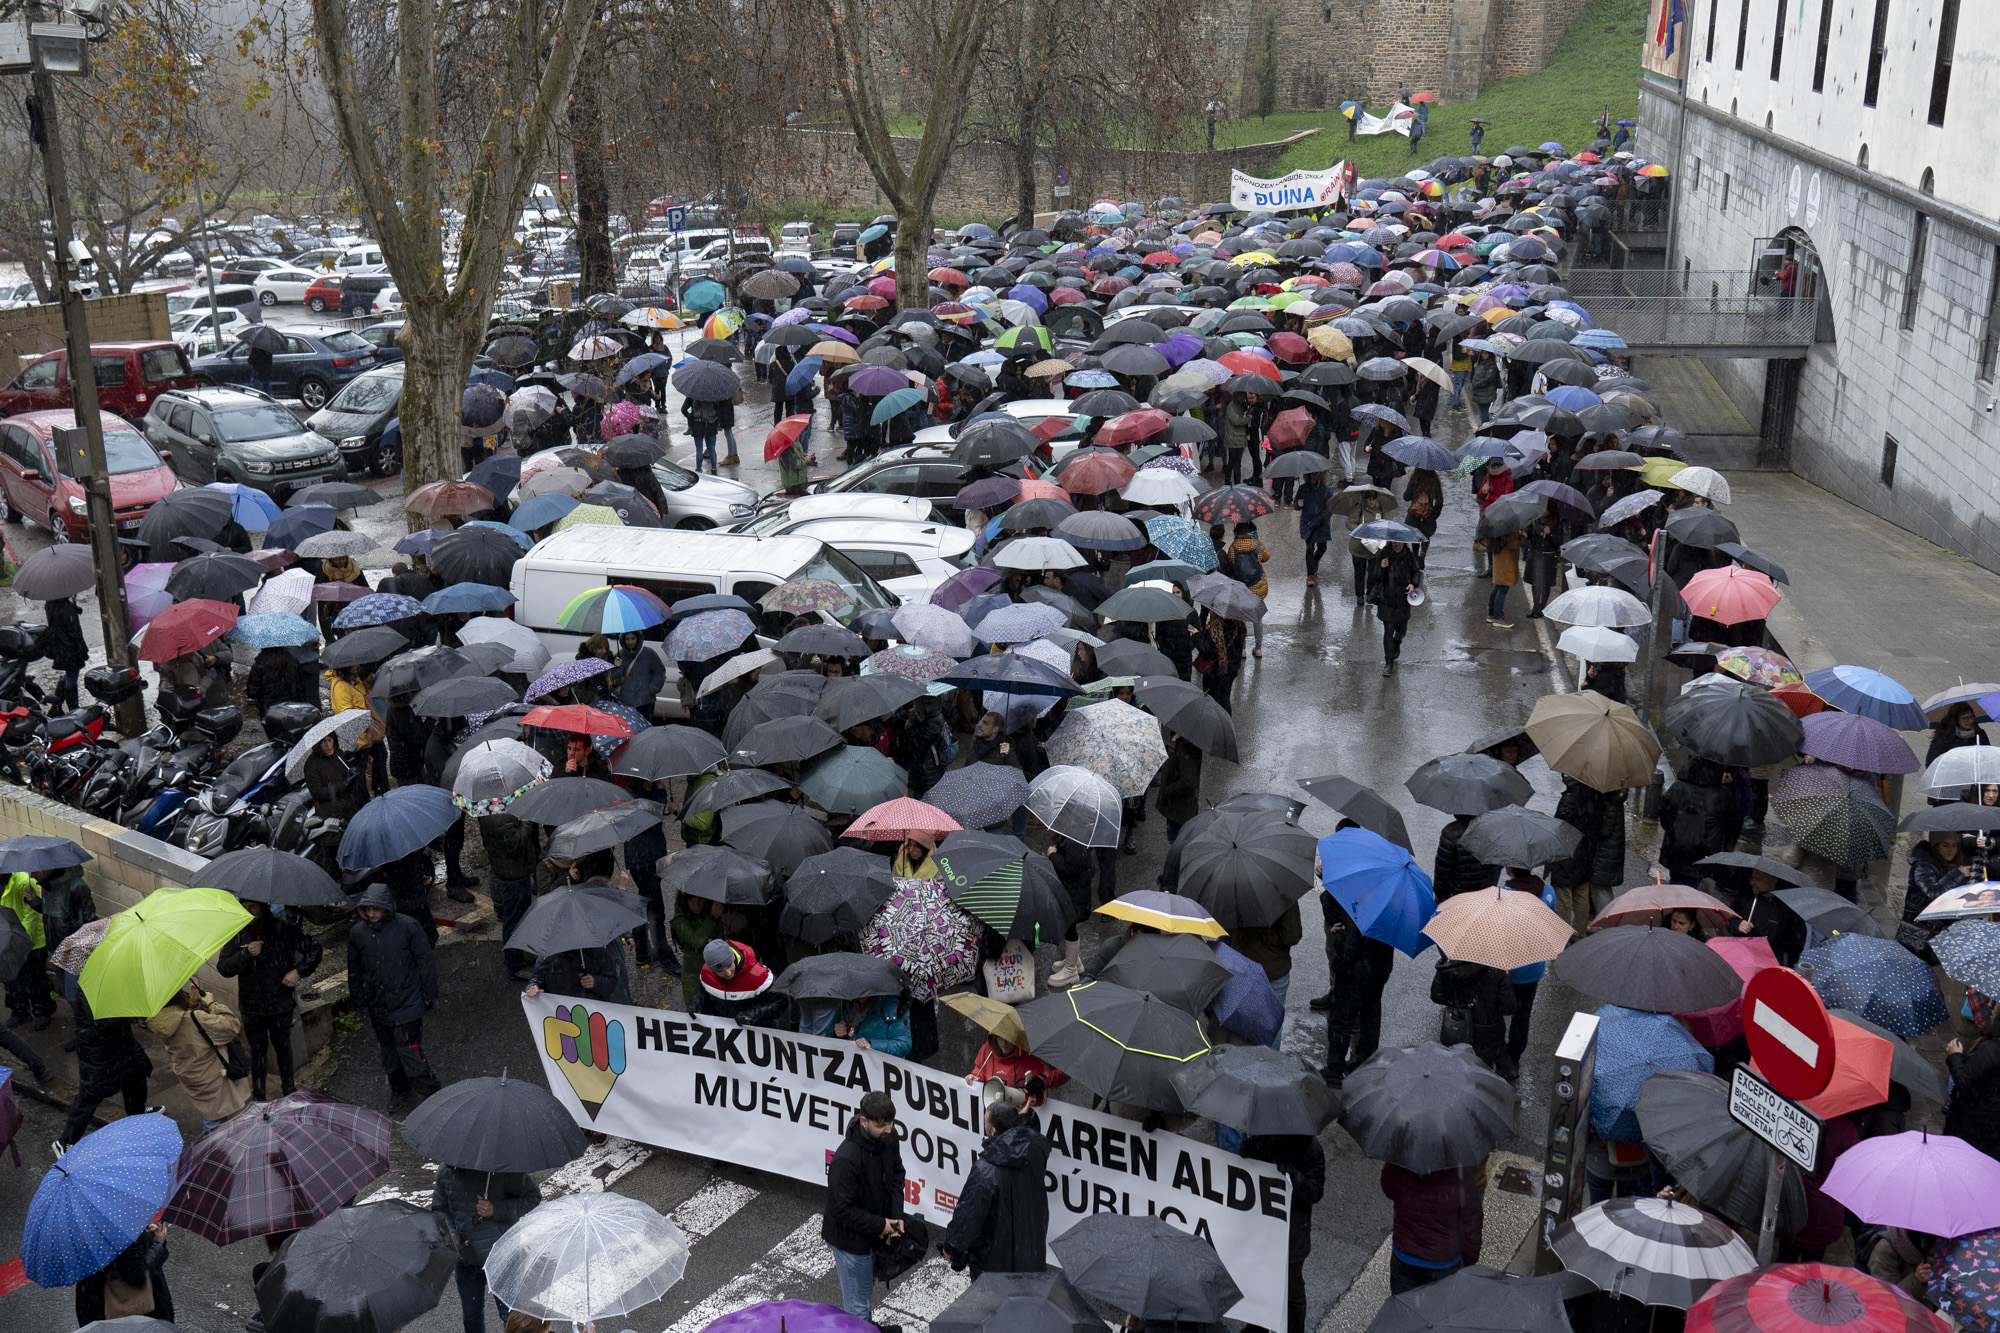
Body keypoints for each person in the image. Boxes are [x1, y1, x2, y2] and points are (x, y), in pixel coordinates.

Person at [345, 882, 441, 1111]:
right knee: (388, 1052)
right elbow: (354, 968)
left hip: (406, 1001)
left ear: (386, 907)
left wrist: (429, 995)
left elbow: (425, 962)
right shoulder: (358, 933)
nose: (371, 914)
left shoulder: (408, 926)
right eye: (368, 909)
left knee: (408, 1050)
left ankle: (430, 1090)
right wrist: (359, 1000)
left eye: (376, 909)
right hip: (378, 1004)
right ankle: (400, 1089)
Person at [217, 899, 323, 1100]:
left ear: (262, 907)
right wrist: (246, 953)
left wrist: (298, 972)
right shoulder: (238, 934)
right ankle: (259, 1096)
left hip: (280, 1004)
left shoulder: (283, 929)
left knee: (283, 1048)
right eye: (244, 907)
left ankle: (289, 1090)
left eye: (252, 907)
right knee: (258, 1053)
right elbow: (224, 968)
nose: (248, 912)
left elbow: (315, 949)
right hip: (251, 1007)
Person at [823, 1090, 907, 1325]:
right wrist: (880, 1224)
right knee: (858, 1307)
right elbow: (842, 1209)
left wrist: (895, 1214)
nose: (888, 1130)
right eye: (881, 1125)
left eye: (890, 1122)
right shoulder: (845, 1159)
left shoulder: (889, 1138)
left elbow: (897, 1175)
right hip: (851, 1243)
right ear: (863, 1121)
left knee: (864, 1294)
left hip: (871, 1233)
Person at [942, 1101, 1050, 1279]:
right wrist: (1022, 1119)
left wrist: (951, 1246)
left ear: (993, 1132)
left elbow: (968, 1215)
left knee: (994, 1305)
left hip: (994, 1261)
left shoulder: (985, 1170)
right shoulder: (1035, 1150)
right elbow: (1029, 1136)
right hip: (1031, 1250)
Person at [433, 1162, 539, 1333]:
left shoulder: (502, 1169)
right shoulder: (445, 1172)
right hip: (466, 1257)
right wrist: (451, 1233)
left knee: (511, 1316)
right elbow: (439, 1209)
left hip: (502, 1255)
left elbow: (532, 1198)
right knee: (471, 1316)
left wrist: (495, 1209)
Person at [1243, 1133, 1326, 1333]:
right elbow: (1244, 1168)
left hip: (1292, 1233)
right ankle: (1257, 1327)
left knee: (1291, 1289)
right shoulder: (1260, 1136)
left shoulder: (1309, 1146)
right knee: (1259, 1281)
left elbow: (1315, 1191)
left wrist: (1292, 1176)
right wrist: (1246, 1149)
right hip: (1262, 1227)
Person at [146, 980, 252, 1132]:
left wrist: (191, 1004)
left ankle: (212, 1148)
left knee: (211, 1115)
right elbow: (231, 1026)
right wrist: (211, 1004)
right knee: (216, 1122)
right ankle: (212, 1151)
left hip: (192, 1076)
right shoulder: (195, 1018)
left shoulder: (161, 1021)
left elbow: (185, 1027)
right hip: (212, 1076)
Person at [62, 987, 154, 1145]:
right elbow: (101, 1023)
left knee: (136, 1074)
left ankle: (137, 1116)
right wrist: (127, 1008)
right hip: (99, 1053)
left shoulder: (115, 983)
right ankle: (66, 1142)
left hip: (120, 1044)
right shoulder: (91, 988)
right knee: (91, 1094)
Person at [1380, 1160, 1483, 1293]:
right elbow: (1471, 1224)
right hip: (1443, 1261)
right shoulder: (1461, 1178)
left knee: (1403, 1308)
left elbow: (1388, 1189)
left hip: (1405, 1256)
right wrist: (1469, 1260)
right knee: (1439, 1310)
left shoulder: (1398, 1166)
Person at [1323, 896, 1393, 1085]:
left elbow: (1351, 943)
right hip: (1381, 967)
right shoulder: (1390, 899)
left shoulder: (1362, 898)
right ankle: (1365, 1064)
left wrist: (1339, 954)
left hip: (1357, 972)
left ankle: (1334, 1070)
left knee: (1341, 1019)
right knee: (1371, 1016)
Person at [1431, 956, 1517, 1078]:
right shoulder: (1498, 971)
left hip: (1457, 1026)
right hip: (1488, 1033)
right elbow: (1507, 1008)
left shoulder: (1447, 967)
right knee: (1483, 1073)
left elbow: (1437, 996)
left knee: (1456, 1068)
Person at [74, 1222, 174, 1326]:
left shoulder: (84, 1226)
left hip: (92, 1303)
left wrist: (146, 1237)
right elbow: (137, 1275)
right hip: (135, 1316)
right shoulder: (125, 1227)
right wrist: (158, 1244)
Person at [1659, 758, 1730, 887]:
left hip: (1675, 850)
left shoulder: (1678, 786)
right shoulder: (1721, 794)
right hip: (1700, 855)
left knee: (1674, 884)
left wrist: (1674, 831)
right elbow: (1727, 824)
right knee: (1689, 894)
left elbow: (1665, 815)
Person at [696, 938, 789, 1027]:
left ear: (733, 958)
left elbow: (780, 1001)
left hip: (755, 1033)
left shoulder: (759, 975)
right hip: (725, 1033)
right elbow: (703, 994)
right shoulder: (707, 974)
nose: (728, 973)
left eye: (729, 966)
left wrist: (753, 1016)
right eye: (721, 971)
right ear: (712, 971)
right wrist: (697, 1003)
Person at [964, 1031, 1066, 1105]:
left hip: (1027, 1116)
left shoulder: (1034, 1053)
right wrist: (976, 1078)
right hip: (995, 1118)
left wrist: (1042, 1080)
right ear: (994, 1036)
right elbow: (980, 1070)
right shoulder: (987, 1049)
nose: (1004, 1043)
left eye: (1009, 1037)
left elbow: (1064, 1070)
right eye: (1000, 1036)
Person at [1370, 542, 1421, 675]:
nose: (1397, 545)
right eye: (1395, 542)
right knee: (1388, 631)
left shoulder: (1409, 556)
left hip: (1403, 601)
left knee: (1401, 631)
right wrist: (1381, 567)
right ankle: (1388, 663)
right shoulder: (1383, 556)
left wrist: (1413, 584)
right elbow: (1375, 578)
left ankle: (1397, 642)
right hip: (1386, 599)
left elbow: (1416, 572)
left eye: (1400, 543)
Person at [1224, 521, 1272, 657]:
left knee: (1241, 619)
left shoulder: (1233, 547)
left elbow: (1231, 562)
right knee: (1257, 618)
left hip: (1241, 588)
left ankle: (1242, 649)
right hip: (1257, 586)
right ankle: (1258, 648)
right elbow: (1266, 558)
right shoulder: (1259, 545)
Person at [44, 594, 85, 713]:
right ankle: (73, 709)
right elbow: (75, 632)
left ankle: (56, 707)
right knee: (72, 677)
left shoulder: (50, 604)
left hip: (59, 646)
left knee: (68, 675)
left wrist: (74, 609)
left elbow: (59, 619)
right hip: (70, 649)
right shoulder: (67, 608)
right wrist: (82, 648)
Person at [613, 631, 666, 715]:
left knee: (647, 727)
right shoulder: (619, 656)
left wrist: (651, 690)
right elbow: (615, 680)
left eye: (633, 638)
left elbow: (660, 672)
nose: (630, 642)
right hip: (626, 702)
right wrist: (617, 668)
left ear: (638, 638)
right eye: (627, 639)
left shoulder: (649, 653)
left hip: (646, 702)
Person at [1298, 471, 1333, 587]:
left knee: (1322, 548)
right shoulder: (1303, 488)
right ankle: (1310, 575)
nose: (1313, 477)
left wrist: (1316, 521)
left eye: (1315, 475)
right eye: (1310, 475)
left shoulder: (1326, 490)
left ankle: (1316, 559)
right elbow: (1296, 505)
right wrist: (1298, 504)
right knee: (1309, 549)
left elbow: (1329, 510)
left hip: (1322, 524)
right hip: (1307, 522)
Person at [1486, 527, 1523, 627]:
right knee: (1503, 588)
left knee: (1497, 585)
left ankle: (1491, 614)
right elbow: (1513, 545)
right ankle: (1498, 617)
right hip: (1507, 560)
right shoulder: (1511, 527)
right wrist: (1522, 536)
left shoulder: (1496, 523)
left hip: (1498, 557)